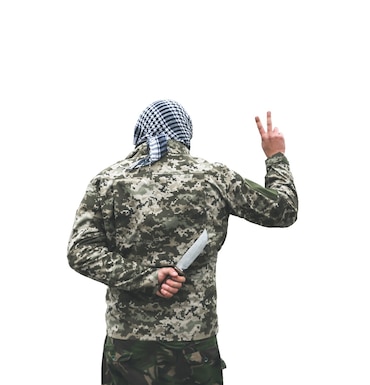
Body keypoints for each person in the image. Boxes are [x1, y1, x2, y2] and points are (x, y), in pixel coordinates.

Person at [67, 100, 298, 385]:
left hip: (129, 346)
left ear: (140, 132)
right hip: (193, 345)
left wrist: (147, 278)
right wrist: (276, 157)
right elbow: (283, 211)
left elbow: (80, 251)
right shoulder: (214, 177)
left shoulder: (108, 181)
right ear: (185, 134)